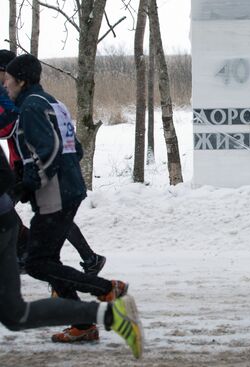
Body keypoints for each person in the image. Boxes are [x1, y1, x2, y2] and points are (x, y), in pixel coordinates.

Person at [3, 54, 128, 343]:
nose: (6, 86)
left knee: (36, 262)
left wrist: (30, 181)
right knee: (47, 260)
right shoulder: (52, 103)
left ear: (21, 80)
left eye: (8, 81)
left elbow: (50, 148)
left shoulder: (32, 106)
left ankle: (106, 288)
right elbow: (77, 149)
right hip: (68, 188)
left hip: (55, 192)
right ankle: (84, 324)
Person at [0, 145, 143, 358]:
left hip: (20, 214)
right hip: (17, 215)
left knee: (40, 266)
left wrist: (31, 183)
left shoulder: (31, 114)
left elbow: (6, 176)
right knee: (16, 312)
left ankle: (102, 295)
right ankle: (109, 315)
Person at [0, 49, 105, 275]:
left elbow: (12, 128)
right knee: (52, 224)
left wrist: (34, 177)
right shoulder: (43, 99)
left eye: (5, 76)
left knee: (36, 222)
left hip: (31, 168)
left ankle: (28, 255)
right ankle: (84, 261)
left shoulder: (24, 102)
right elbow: (74, 147)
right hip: (42, 171)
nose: (5, 82)